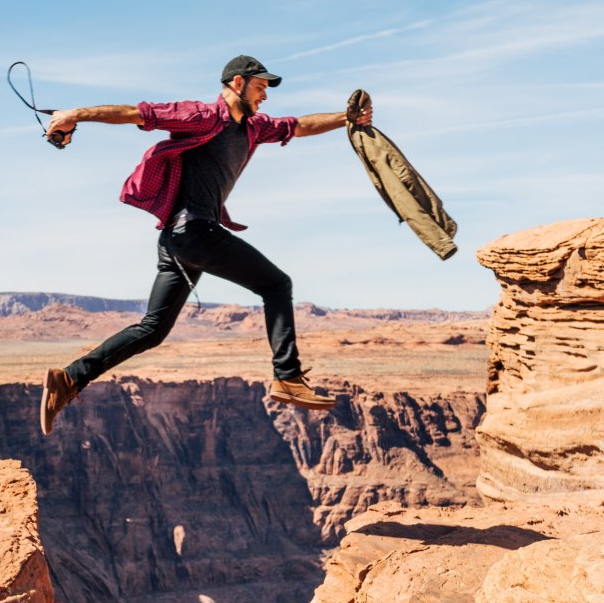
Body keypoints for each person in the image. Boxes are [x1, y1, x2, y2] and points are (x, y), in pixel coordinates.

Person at [40, 55, 373, 435]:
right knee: (276, 285)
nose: (264, 96)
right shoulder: (202, 116)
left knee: (152, 329)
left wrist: (347, 119)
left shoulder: (253, 128)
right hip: (192, 233)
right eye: (260, 86)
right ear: (236, 83)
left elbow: (299, 125)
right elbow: (136, 113)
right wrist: (74, 115)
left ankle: (69, 379)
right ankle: (288, 376)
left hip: (177, 240)